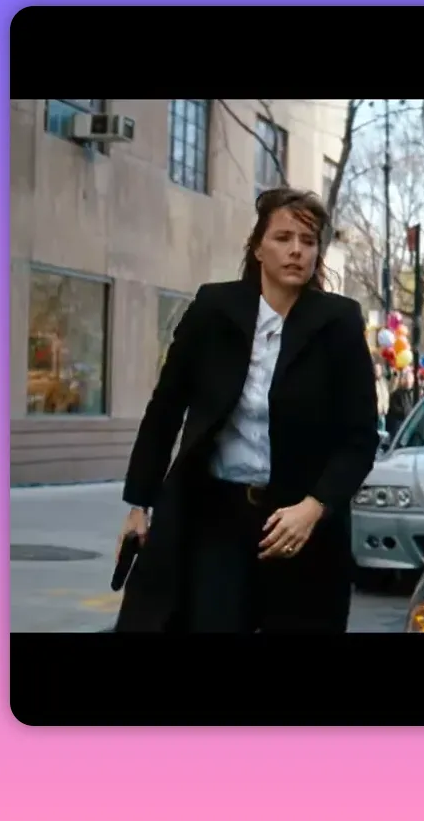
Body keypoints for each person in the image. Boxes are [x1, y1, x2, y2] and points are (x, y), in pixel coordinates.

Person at [113, 188, 379, 633]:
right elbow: (165, 409)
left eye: (309, 241)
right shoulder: (213, 310)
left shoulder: (340, 322)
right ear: (257, 247)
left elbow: (360, 437)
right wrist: (139, 504)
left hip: (301, 527)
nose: (297, 250)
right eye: (283, 237)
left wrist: (314, 508)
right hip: (217, 517)